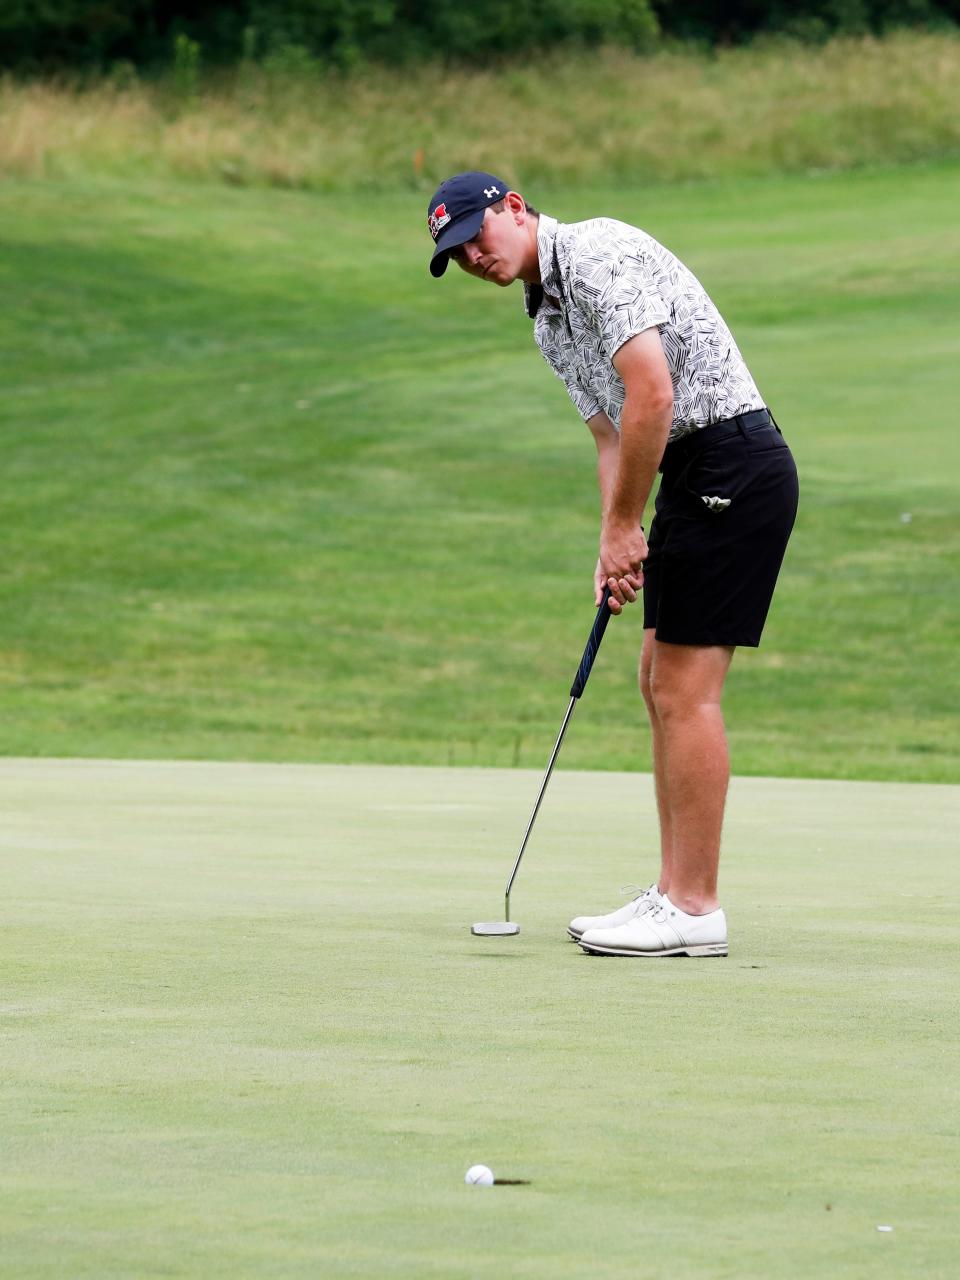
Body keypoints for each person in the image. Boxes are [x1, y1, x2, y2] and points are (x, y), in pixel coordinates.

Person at [426, 172, 799, 958]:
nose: (473, 259)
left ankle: (695, 908)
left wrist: (630, 523)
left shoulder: (592, 253)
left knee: (685, 689)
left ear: (515, 208)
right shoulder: (545, 319)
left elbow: (653, 397)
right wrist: (613, 541)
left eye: (477, 237)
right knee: (656, 679)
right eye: (457, 257)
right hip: (691, 475)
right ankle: (672, 893)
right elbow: (609, 435)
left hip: (731, 463)